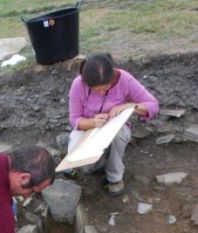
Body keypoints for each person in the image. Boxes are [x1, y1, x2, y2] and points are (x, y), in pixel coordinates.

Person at [68, 53, 159, 196]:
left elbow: (153, 106)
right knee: (86, 167)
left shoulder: (124, 79)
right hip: (89, 128)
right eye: (96, 90)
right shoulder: (78, 84)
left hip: (117, 127)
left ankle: (114, 177)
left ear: (112, 77)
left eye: (106, 87)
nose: (102, 92)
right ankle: (98, 164)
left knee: (120, 135)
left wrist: (129, 106)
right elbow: (75, 120)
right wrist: (93, 122)